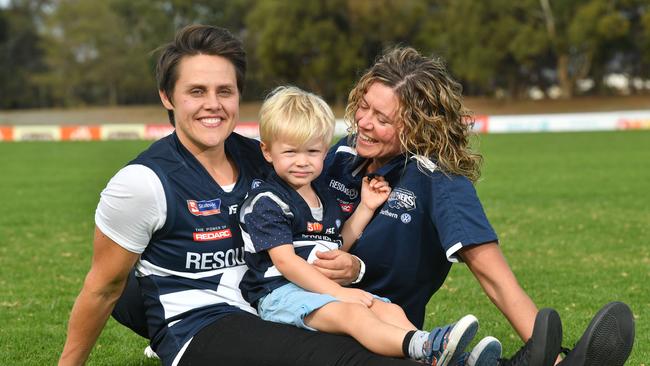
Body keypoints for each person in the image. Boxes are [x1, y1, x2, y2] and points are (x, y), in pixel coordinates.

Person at [58, 25, 426, 366]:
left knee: (371, 340)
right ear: (167, 97)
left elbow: (313, 226)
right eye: (196, 92)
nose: (213, 104)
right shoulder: (142, 183)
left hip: (265, 304)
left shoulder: (263, 158)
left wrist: (352, 264)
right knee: (349, 357)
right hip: (200, 323)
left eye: (225, 91)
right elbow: (105, 290)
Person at [314, 46, 635, 366]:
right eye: (364, 106)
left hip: (386, 337)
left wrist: (549, 355)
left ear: (416, 125)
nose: (364, 122)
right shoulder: (340, 154)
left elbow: (495, 277)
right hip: (304, 311)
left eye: (382, 118)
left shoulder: (438, 178)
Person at [237, 85, 502, 366]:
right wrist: (338, 293)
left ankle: (439, 355)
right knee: (356, 314)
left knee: (389, 310)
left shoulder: (321, 195)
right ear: (267, 151)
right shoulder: (266, 201)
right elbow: (286, 263)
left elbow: (338, 242)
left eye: (312, 151)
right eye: (290, 152)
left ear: (324, 151)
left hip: (315, 289)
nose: (302, 162)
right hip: (279, 293)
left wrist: (366, 207)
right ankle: (426, 348)